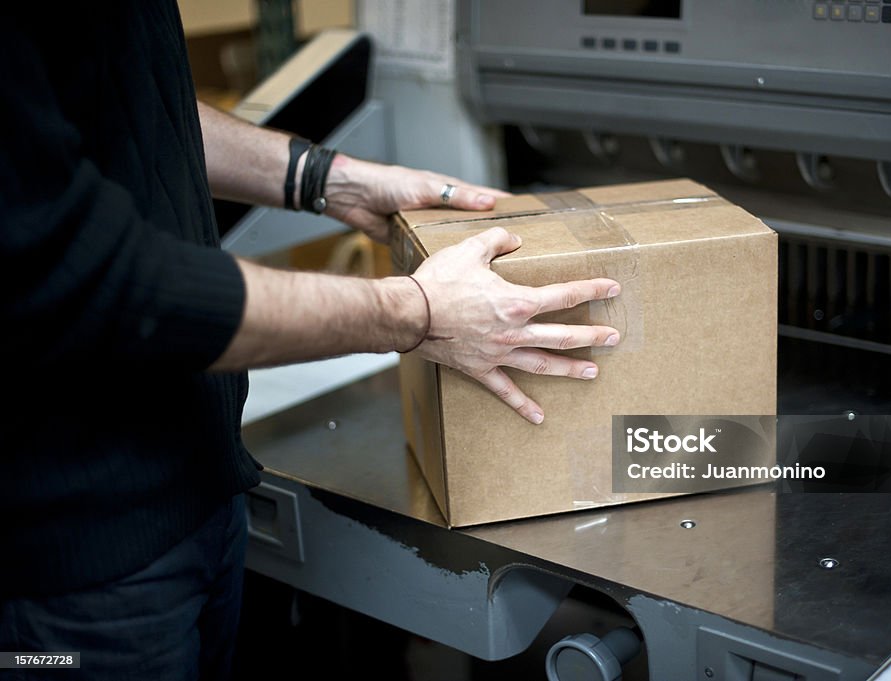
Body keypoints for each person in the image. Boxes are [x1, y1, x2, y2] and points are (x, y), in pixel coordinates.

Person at [0, 3, 620, 680]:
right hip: (71, 568)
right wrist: (416, 310)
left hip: (195, 484)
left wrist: (325, 178)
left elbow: (122, 104)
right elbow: (101, 285)